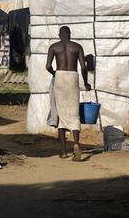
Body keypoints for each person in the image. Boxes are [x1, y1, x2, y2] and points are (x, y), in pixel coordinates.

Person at [46, 26, 91, 161]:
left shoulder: (54, 47)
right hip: (73, 77)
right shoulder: (77, 46)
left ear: (59, 35)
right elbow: (83, 67)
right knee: (74, 113)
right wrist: (86, 82)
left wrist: (55, 74)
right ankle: (76, 143)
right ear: (70, 34)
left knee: (61, 113)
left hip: (60, 77)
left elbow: (48, 66)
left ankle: (64, 151)